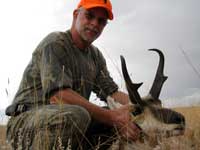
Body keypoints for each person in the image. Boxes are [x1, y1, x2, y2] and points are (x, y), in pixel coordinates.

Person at [6, 0, 141, 149]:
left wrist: (142, 106)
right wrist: (112, 117)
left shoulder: (95, 56)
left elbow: (112, 92)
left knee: (114, 120)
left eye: (101, 21)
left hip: (65, 121)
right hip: (26, 121)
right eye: (89, 16)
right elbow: (59, 96)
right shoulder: (55, 43)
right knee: (81, 115)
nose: (95, 23)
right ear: (76, 15)